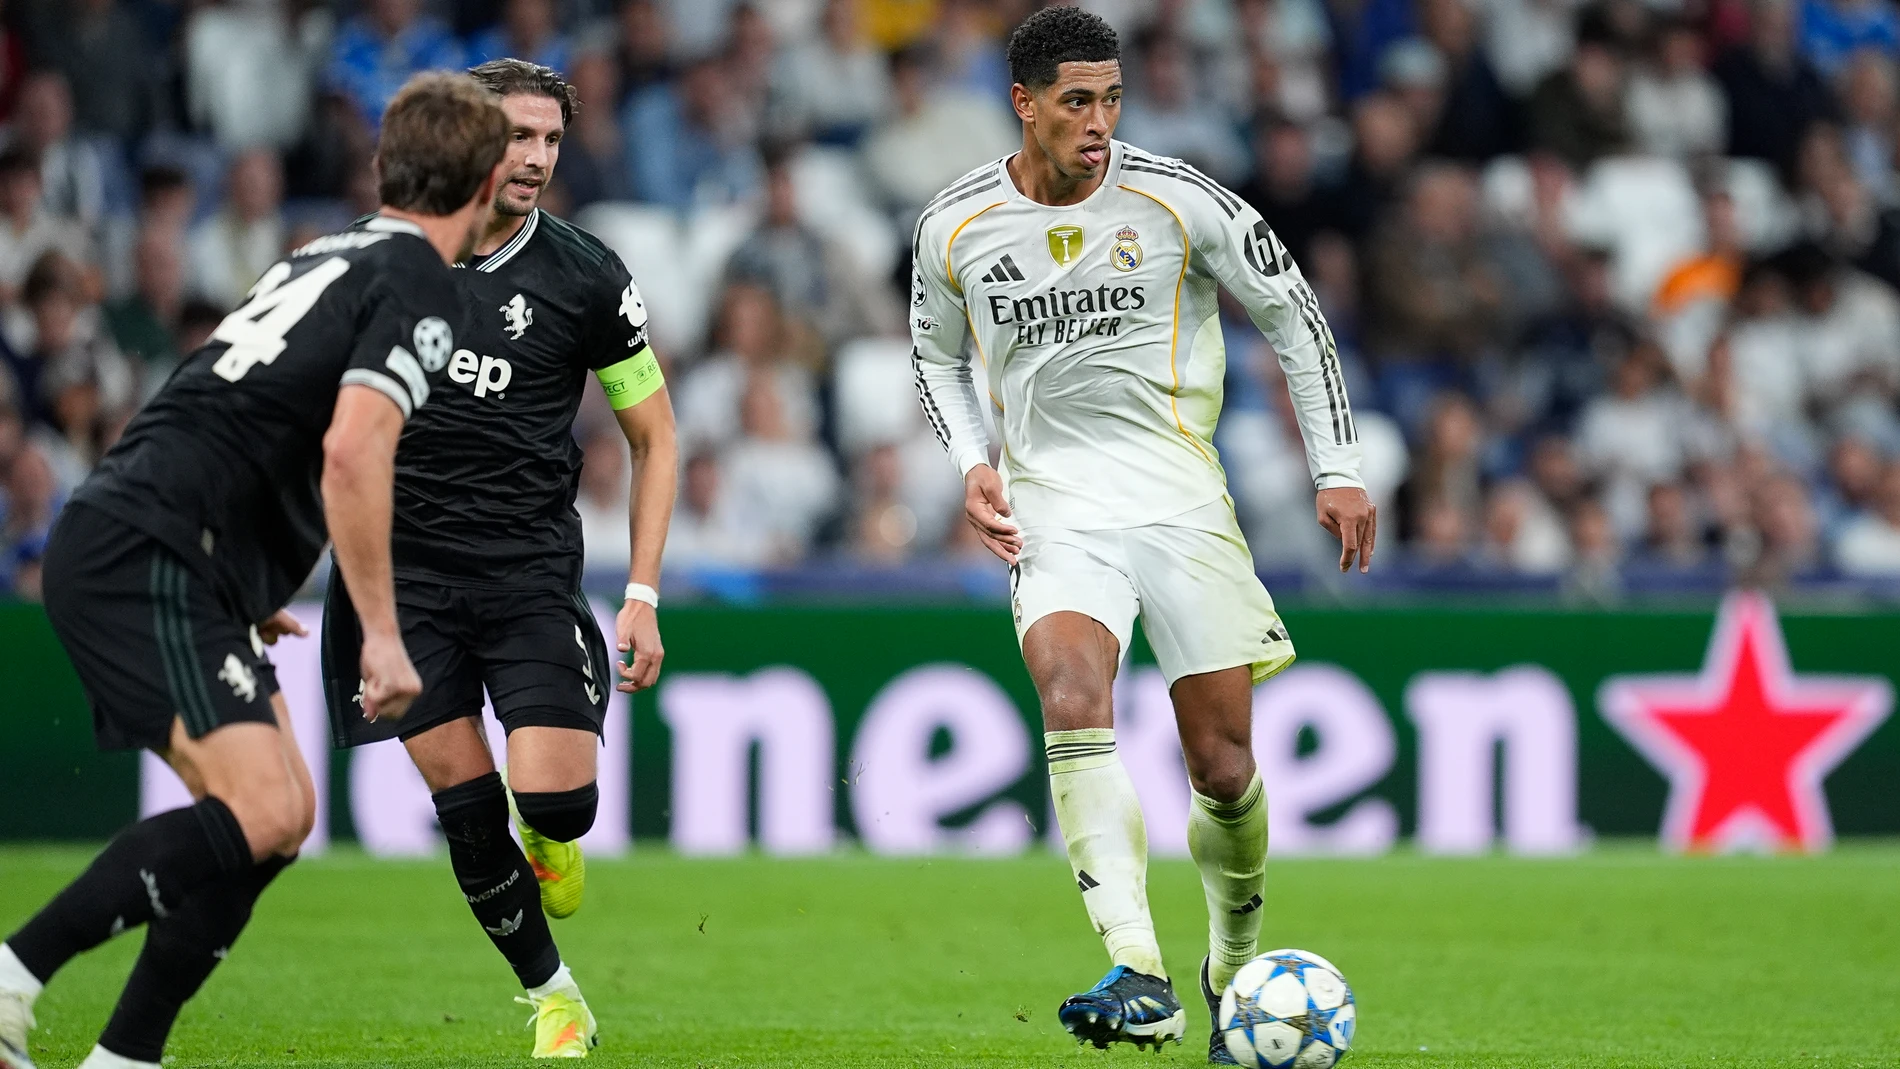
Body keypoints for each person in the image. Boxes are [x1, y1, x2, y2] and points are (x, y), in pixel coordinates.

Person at [0, 72, 506, 1069]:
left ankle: (124, 1056)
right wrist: (383, 633)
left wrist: (245, 567)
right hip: (154, 548)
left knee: (283, 817)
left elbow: (236, 406)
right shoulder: (420, 281)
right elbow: (353, 450)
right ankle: (12, 976)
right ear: (486, 183)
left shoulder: (331, 250)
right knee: (265, 808)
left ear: (386, 167)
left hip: (166, 545)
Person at [909, 7, 1375, 1060]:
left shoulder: (1179, 198)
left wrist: (1337, 467)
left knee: (1222, 765)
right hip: (1053, 505)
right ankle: (1140, 969)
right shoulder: (954, 223)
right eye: (1077, 101)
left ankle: (1228, 966)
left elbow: (1294, 312)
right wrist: (972, 462)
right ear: (1023, 102)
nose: (1099, 122)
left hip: (1179, 500)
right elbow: (934, 357)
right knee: (1071, 694)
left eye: (1112, 99)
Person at [320, 58, 677, 1061]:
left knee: (559, 800)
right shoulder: (384, 259)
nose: (536, 158)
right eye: (519, 136)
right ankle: (556, 999)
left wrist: (641, 591)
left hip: (527, 573)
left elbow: (654, 436)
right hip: (402, 583)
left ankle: (551, 834)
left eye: (551, 140)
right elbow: (312, 427)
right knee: (469, 812)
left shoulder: (585, 275)